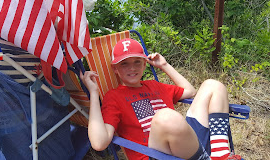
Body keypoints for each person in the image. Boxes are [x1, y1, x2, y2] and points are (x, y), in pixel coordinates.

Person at [80, 38, 236, 160]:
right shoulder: (114, 97)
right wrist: (94, 93)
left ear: (144, 64)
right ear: (115, 69)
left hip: (186, 146)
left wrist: (165, 65)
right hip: (157, 155)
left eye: (137, 62)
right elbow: (99, 143)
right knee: (165, 116)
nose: (132, 68)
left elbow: (190, 91)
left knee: (213, 85)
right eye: (124, 64)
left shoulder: (154, 86)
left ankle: (219, 155)